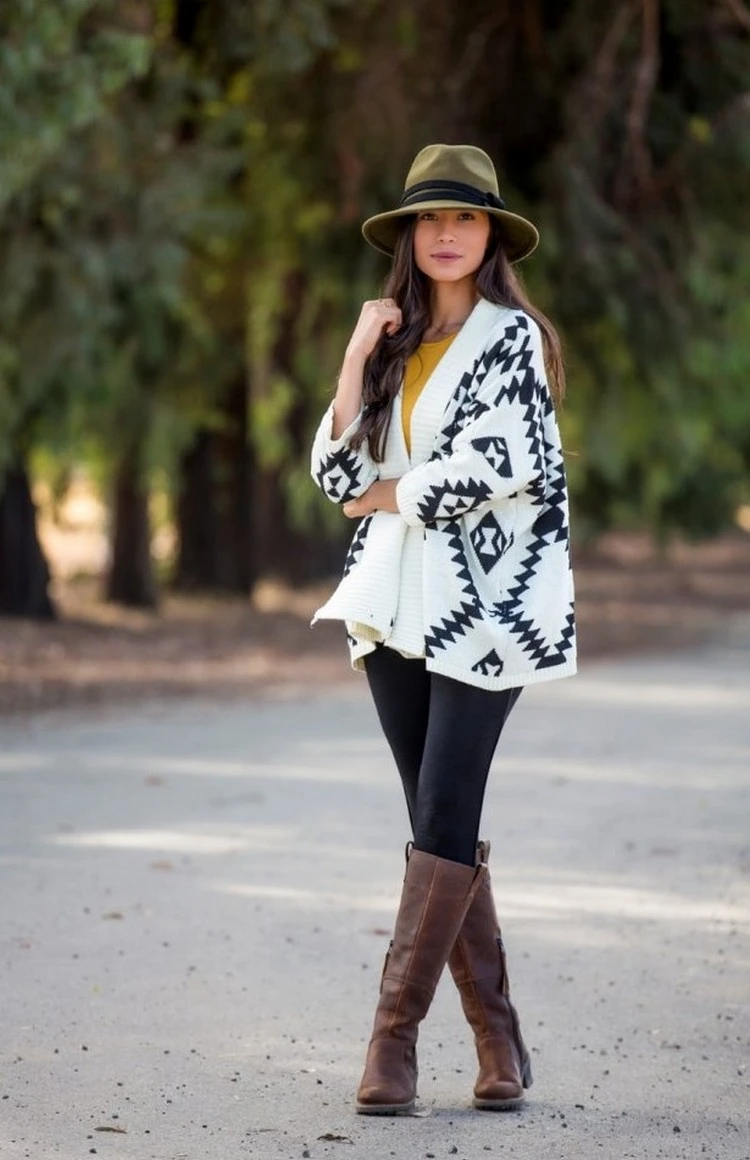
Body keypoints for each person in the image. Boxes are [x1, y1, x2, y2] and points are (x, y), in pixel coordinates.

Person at [310, 143, 576, 1115]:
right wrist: (352, 354)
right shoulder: (390, 342)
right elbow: (337, 480)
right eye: (431, 219)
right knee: (437, 826)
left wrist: (393, 490)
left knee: (445, 805)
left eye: (465, 219)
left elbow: (504, 464)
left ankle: (392, 1045)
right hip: (388, 607)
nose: (448, 234)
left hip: (490, 610)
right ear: (410, 237)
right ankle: (498, 1038)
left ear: (493, 236)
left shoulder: (513, 339)